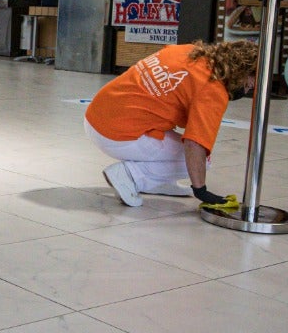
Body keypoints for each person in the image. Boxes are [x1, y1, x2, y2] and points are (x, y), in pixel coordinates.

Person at [84, 40, 259, 208]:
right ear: (241, 72)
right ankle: (131, 175)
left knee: (179, 145)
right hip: (115, 133)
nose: (250, 87)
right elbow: (195, 143)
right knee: (202, 160)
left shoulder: (188, 51)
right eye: (251, 81)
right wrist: (201, 190)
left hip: (97, 113)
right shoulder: (213, 90)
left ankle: (157, 182)